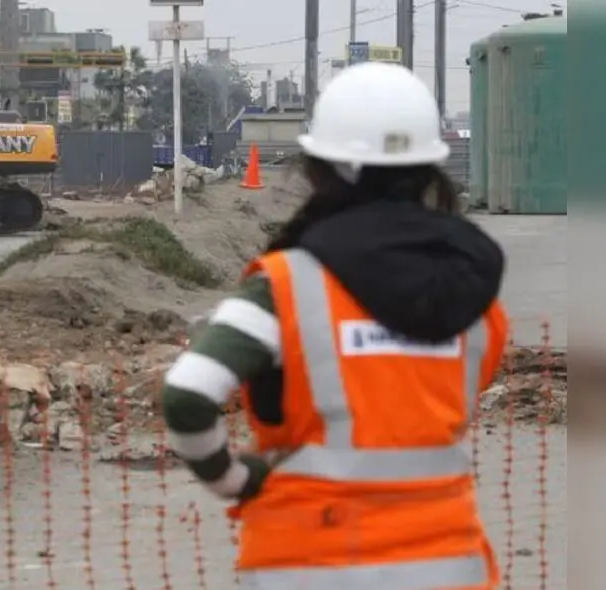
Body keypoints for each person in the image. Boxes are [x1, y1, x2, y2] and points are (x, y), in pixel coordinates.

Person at [161, 62, 508, 590]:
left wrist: (233, 479)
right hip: (446, 558)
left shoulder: (287, 285)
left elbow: (188, 395)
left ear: (325, 169)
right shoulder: (474, 297)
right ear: (430, 168)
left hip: (311, 559)